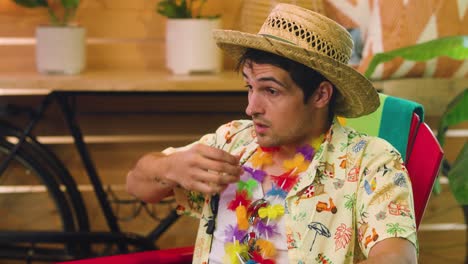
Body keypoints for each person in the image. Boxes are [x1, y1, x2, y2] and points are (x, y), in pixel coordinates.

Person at [126, 3, 418, 264]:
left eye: (271, 91)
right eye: (250, 87)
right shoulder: (231, 142)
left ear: (320, 95)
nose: (251, 107)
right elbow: (137, 185)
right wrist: (169, 167)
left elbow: (397, 258)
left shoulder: (370, 162)